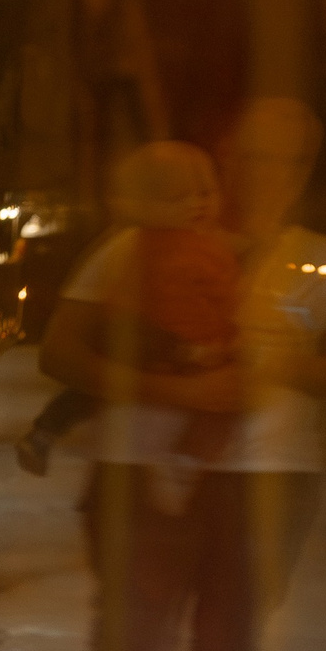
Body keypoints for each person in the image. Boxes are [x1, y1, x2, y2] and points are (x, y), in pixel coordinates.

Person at [39, 98, 326, 651]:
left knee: (229, 645)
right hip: (137, 466)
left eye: (294, 159)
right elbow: (61, 353)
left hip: (269, 477)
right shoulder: (139, 244)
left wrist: (280, 364)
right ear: (225, 155)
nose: (275, 173)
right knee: (131, 638)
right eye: (257, 155)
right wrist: (181, 393)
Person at [17, 142, 237, 499]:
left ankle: (189, 457)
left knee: (219, 406)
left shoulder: (213, 244)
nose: (197, 204)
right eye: (177, 197)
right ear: (140, 205)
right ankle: (47, 430)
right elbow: (66, 351)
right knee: (89, 393)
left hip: (193, 352)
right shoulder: (129, 244)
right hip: (145, 347)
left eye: (206, 193)